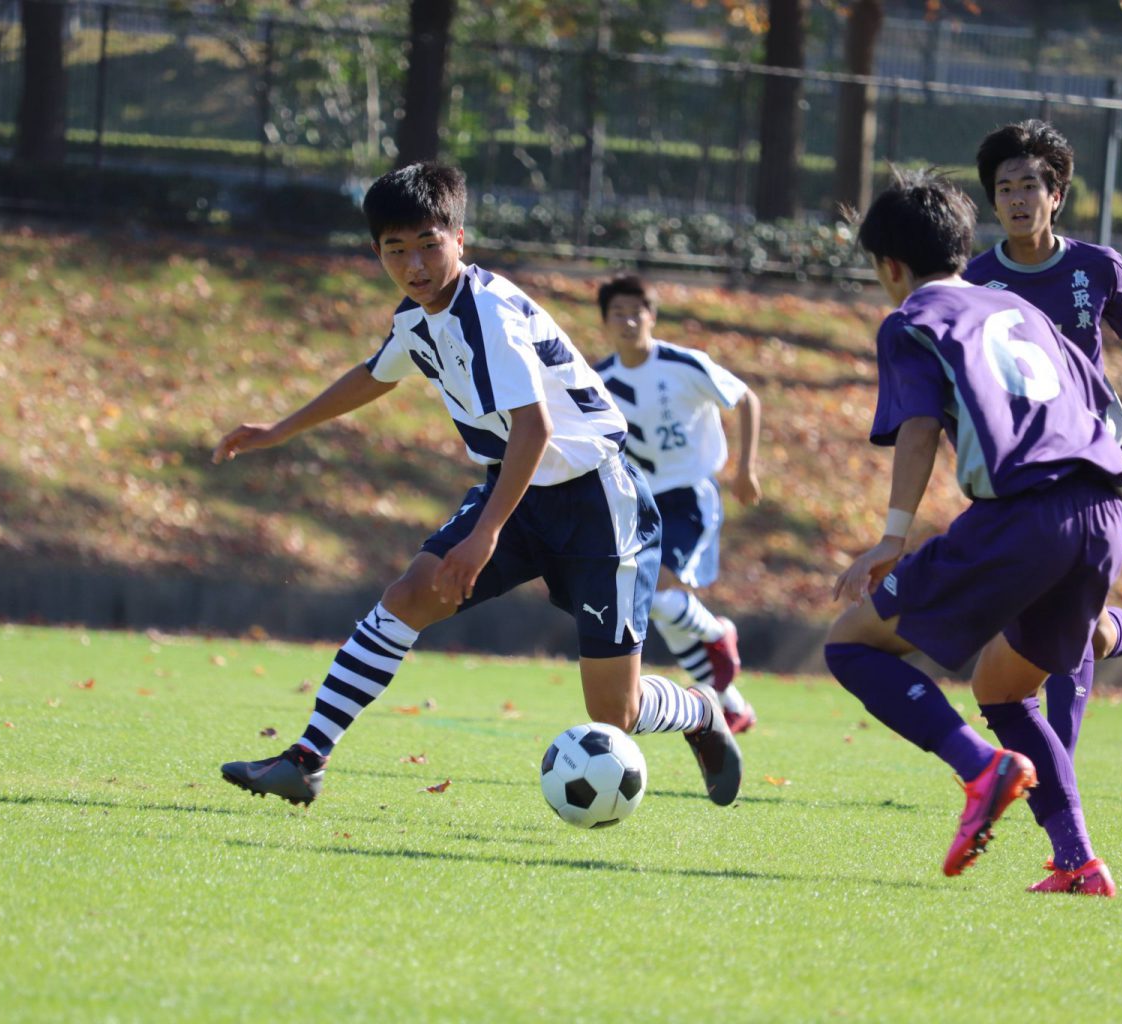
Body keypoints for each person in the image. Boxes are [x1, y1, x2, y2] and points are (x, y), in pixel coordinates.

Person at [210, 163, 741, 808]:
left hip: (597, 500)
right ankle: (306, 758)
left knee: (616, 714)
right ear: (376, 252)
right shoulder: (419, 316)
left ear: (460, 239)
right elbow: (378, 371)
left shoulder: (486, 312)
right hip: (517, 489)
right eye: (395, 250)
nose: (414, 264)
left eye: (429, 244)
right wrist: (280, 428)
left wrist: (485, 533)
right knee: (409, 595)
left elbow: (534, 428)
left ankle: (698, 710)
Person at [829, 169, 1122, 896]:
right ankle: (1077, 859)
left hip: (1024, 515)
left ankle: (981, 768)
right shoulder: (1024, 310)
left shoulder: (912, 319)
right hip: (1104, 508)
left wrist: (892, 537)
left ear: (891, 268)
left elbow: (920, 426)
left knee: (850, 644)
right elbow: (1110, 415)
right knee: (1003, 689)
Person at [965, 119, 1122, 753]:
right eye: (1005, 189)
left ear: (1055, 195)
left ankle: (1058, 758)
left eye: (1030, 185)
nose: (1018, 199)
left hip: (1094, 454)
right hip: (1023, 465)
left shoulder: (1095, 266)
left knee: (1070, 607)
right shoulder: (976, 281)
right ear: (994, 201)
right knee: (1064, 619)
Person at [592, 273, 762, 732]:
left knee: (656, 596)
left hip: (689, 494)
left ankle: (717, 633)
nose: (628, 321)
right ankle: (729, 704)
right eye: (617, 313)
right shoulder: (599, 380)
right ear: (605, 323)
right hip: (638, 502)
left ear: (651, 316)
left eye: (636, 311)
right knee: (663, 610)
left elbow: (746, 398)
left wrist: (745, 468)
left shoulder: (682, 364)